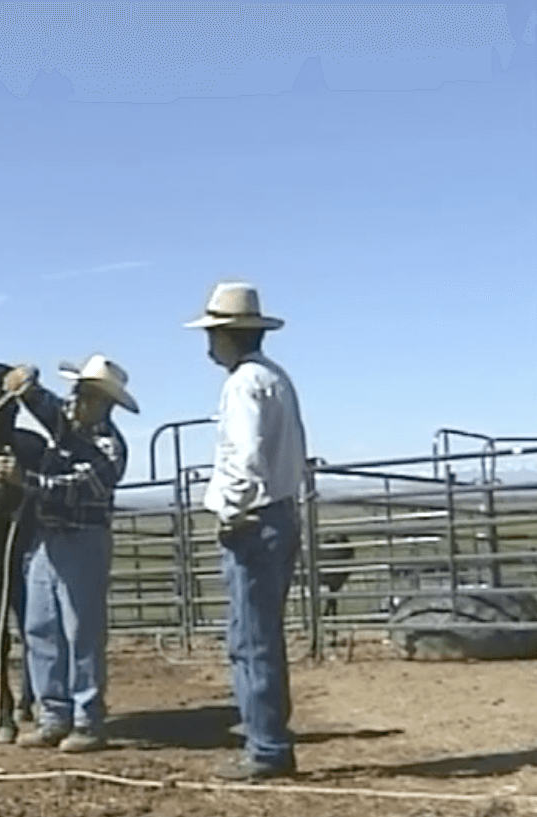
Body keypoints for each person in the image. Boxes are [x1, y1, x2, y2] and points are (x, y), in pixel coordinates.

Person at [184, 281, 307, 780]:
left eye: (214, 334)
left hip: (255, 520)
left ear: (230, 336)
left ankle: (266, 747)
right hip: (280, 512)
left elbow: (245, 455)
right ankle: (270, 737)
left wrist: (231, 510)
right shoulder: (274, 378)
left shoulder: (241, 385)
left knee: (250, 637)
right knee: (263, 634)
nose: (209, 343)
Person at [0, 354, 137, 753]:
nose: (74, 400)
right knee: (41, 628)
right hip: (48, 540)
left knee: (81, 632)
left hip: (83, 541)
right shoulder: (69, 423)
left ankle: (87, 720)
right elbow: (42, 403)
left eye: (84, 394)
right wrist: (25, 384)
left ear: (102, 403)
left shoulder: (110, 448)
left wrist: (24, 479)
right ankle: (54, 715)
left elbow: (77, 488)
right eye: (76, 391)